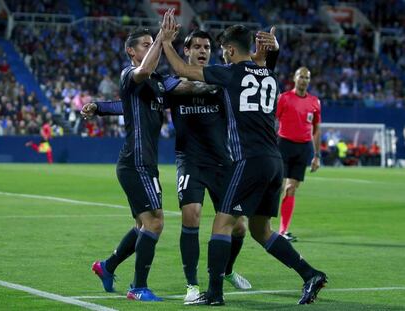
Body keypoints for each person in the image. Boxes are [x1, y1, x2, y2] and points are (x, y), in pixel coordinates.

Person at [83, 26, 280, 304]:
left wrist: (258, 62)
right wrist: (100, 107)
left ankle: (225, 270)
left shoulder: (219, 83)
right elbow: (131, 102)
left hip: (223, 163)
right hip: (189, 161)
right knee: (188, 217)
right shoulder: (171, 84)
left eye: (207, 48)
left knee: (238, 228)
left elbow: (254, 79)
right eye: (196, 47)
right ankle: (190, 284)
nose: (202, 51)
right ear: (185, 51)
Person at [160, 11, 327, 306]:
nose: (222, 56)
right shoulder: (272, 77)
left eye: (223, 50)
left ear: (231, 50)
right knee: (260, 230)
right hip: (274, 161)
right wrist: (270, 52)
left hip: (249, 161)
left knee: (221, 226)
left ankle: (213, 294)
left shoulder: (231, 73)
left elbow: (181, 70)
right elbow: (260, 66)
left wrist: (166, 42)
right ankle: (310, 274)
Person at [88, 26, 221, 302]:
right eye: (146, 44)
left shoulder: (159, 82)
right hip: (135, 161)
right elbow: (142, 73)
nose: (152, 48)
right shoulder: (131, 74)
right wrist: (162, 39)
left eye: (153, 43)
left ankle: (107, 266)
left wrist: (223, 82)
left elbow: (188, 85)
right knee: (155, 223)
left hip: (146, 163)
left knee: (143, 225)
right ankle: (138, 287)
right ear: (131, 52)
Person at [275, 67, 322, 242]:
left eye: (307, 78)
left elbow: (316, 129)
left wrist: (317, 155)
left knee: (291, 188)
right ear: (294, 78)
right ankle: (263, 224)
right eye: (301, 77)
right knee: (277, 187)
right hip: (283, 145)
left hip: (302, 148)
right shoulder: (285, 98)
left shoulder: (314, 102)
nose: (304, 80)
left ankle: (283, 230)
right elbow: (273, 120)